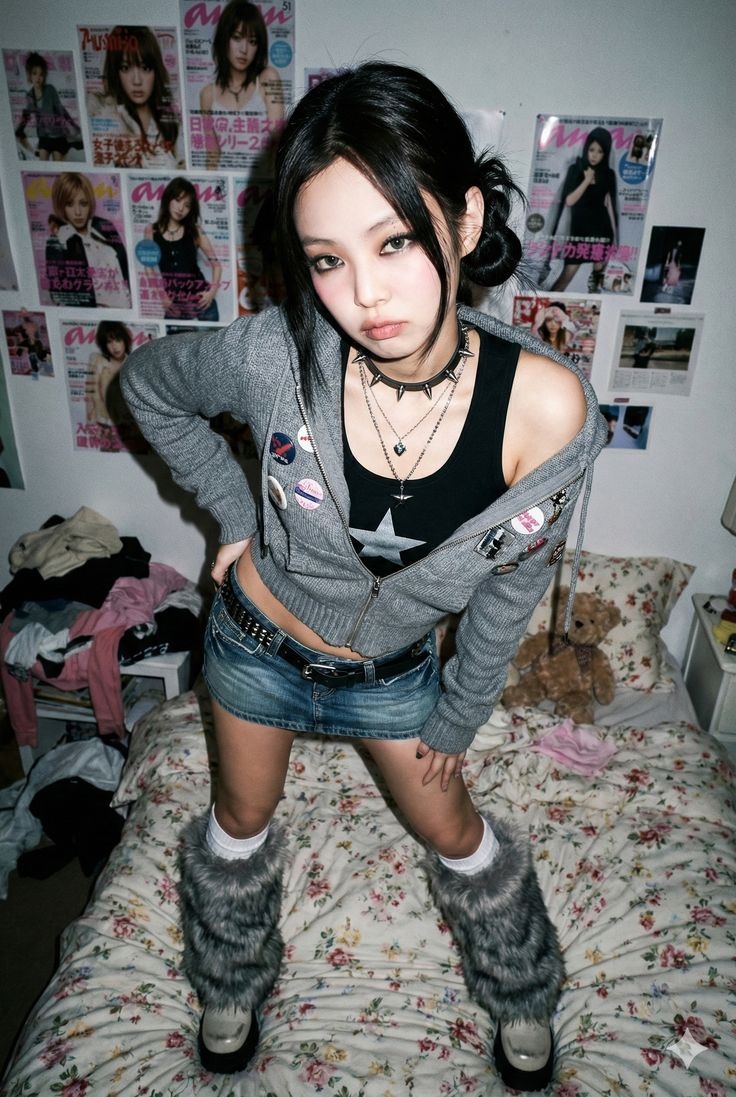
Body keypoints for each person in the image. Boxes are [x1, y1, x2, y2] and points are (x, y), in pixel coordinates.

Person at [122, 62, 607, 1092]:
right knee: (238, 824)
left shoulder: (549, 411)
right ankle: (229, 979)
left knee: (458, 831)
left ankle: (522, 988)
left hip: (391, 677)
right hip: (255, 649)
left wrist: (459, 712)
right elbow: (148, 388)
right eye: (327, 260)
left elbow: (512, 586)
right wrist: (235, 514)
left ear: (464, 219)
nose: (365, 295)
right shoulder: (273, 357)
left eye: (393, 242)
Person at [199, 0, 284, 170]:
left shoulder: (268, 79)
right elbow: (212, 154)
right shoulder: (207, 94)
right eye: (237, 38)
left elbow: (277, 143)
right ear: (224, 39)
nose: (244, 49)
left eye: (252, 41)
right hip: (227, 179)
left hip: (261, 182)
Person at [87, 26, 184, 169]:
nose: (137, 81)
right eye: (125, 68)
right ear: (116, 72)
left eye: (145, 68)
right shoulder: (104, 117)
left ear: (156, 71)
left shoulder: (172, 118)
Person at [45, 172, 131, 309]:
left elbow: (127, 268)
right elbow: (56, 295)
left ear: (90, 203)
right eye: (69, 204)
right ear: (61, 206)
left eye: (83, 204)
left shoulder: (103, 226)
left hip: (126, 309)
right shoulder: (58, 240)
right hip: (95, 316)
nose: (78, 212)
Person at [549, 126, 618, 293]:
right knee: (565, 277)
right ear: (586, 148)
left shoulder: (608, 174)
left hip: (602, 233)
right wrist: (587, 180)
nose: (594, 155)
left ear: (605, 153)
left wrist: (615, 236)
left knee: (596, 280)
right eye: (592, 150)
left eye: (600, 151)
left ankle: (593, 307)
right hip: (579, 233)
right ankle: (546, 307)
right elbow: (569, 201)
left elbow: (610, 206)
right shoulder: (576, 169)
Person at [144, 177, 222, 321]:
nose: (181, 208)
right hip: (174, 306)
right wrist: (162, 295)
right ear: (168, 198)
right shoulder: (151, 231)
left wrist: (212, 292)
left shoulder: (195, 231)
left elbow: (216, 265)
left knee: (213, 337)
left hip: (202, 302)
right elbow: (148, 267)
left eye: (187, 205)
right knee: (171, 336)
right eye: (178, 200)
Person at [14, 52, 82, 161]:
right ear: (29, 75)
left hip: (58, 136)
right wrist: (20, 129)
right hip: (44, 137)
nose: (38, 78)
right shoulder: (30, 95)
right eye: (34, 73)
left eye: (41, 74)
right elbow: (27, 114)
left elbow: (61, 110)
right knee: (43, 162)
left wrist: (73, 125)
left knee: (58, 163)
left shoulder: (50, 90)